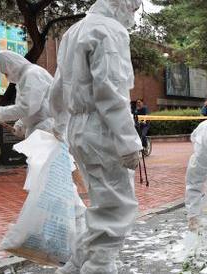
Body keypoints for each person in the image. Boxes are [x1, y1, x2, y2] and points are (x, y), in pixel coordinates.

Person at [48, 0, 143, 273]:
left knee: (102, 205)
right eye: (133, 9)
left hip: (79, 127)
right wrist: (128, 141)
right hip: (102, 128)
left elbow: (58, 85)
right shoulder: (110, 30)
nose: (133, 17)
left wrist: (60, 121)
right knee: (116, 207)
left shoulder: (74, 32)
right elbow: (111, 89)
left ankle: (77, 263)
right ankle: (98, 266)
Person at [0, 50, 54, 139]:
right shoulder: (25, 77)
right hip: (42, 130)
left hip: (48, 131)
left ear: (10, 66)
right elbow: (33, 109)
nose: (5, 76)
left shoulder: (32, 74)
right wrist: (21, 125)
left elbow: (27, 107)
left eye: (5, 72)